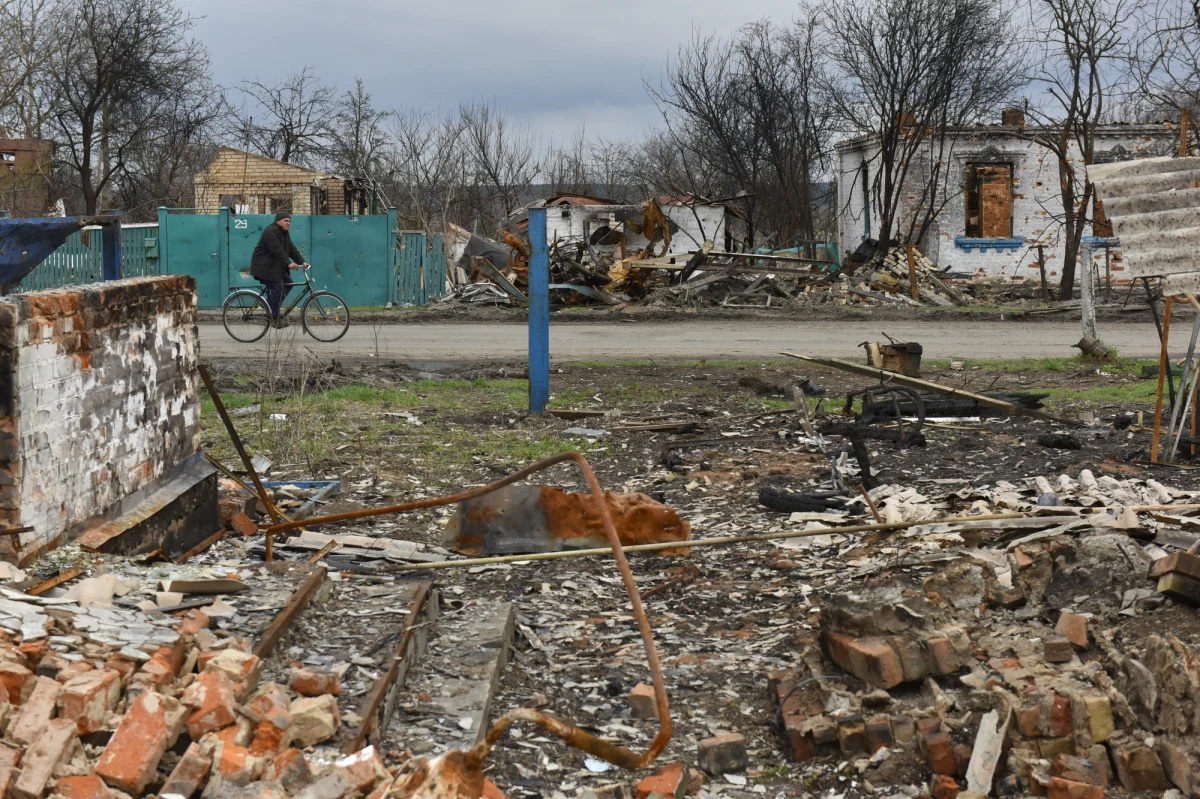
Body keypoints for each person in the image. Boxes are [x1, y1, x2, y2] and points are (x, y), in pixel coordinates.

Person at [250, 210, 308, 328]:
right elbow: (276, 249)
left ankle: (269, 304)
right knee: (278, 287)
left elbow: (291, 248)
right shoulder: (270, 231)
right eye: (286, 221)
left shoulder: (284, 233)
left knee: (289, 283)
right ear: (278, 221)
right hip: (264, 267)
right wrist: (288, 263)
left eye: (289, 221)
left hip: (275, 267)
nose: (288, 223)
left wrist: (302, 262)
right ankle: (275, 318)